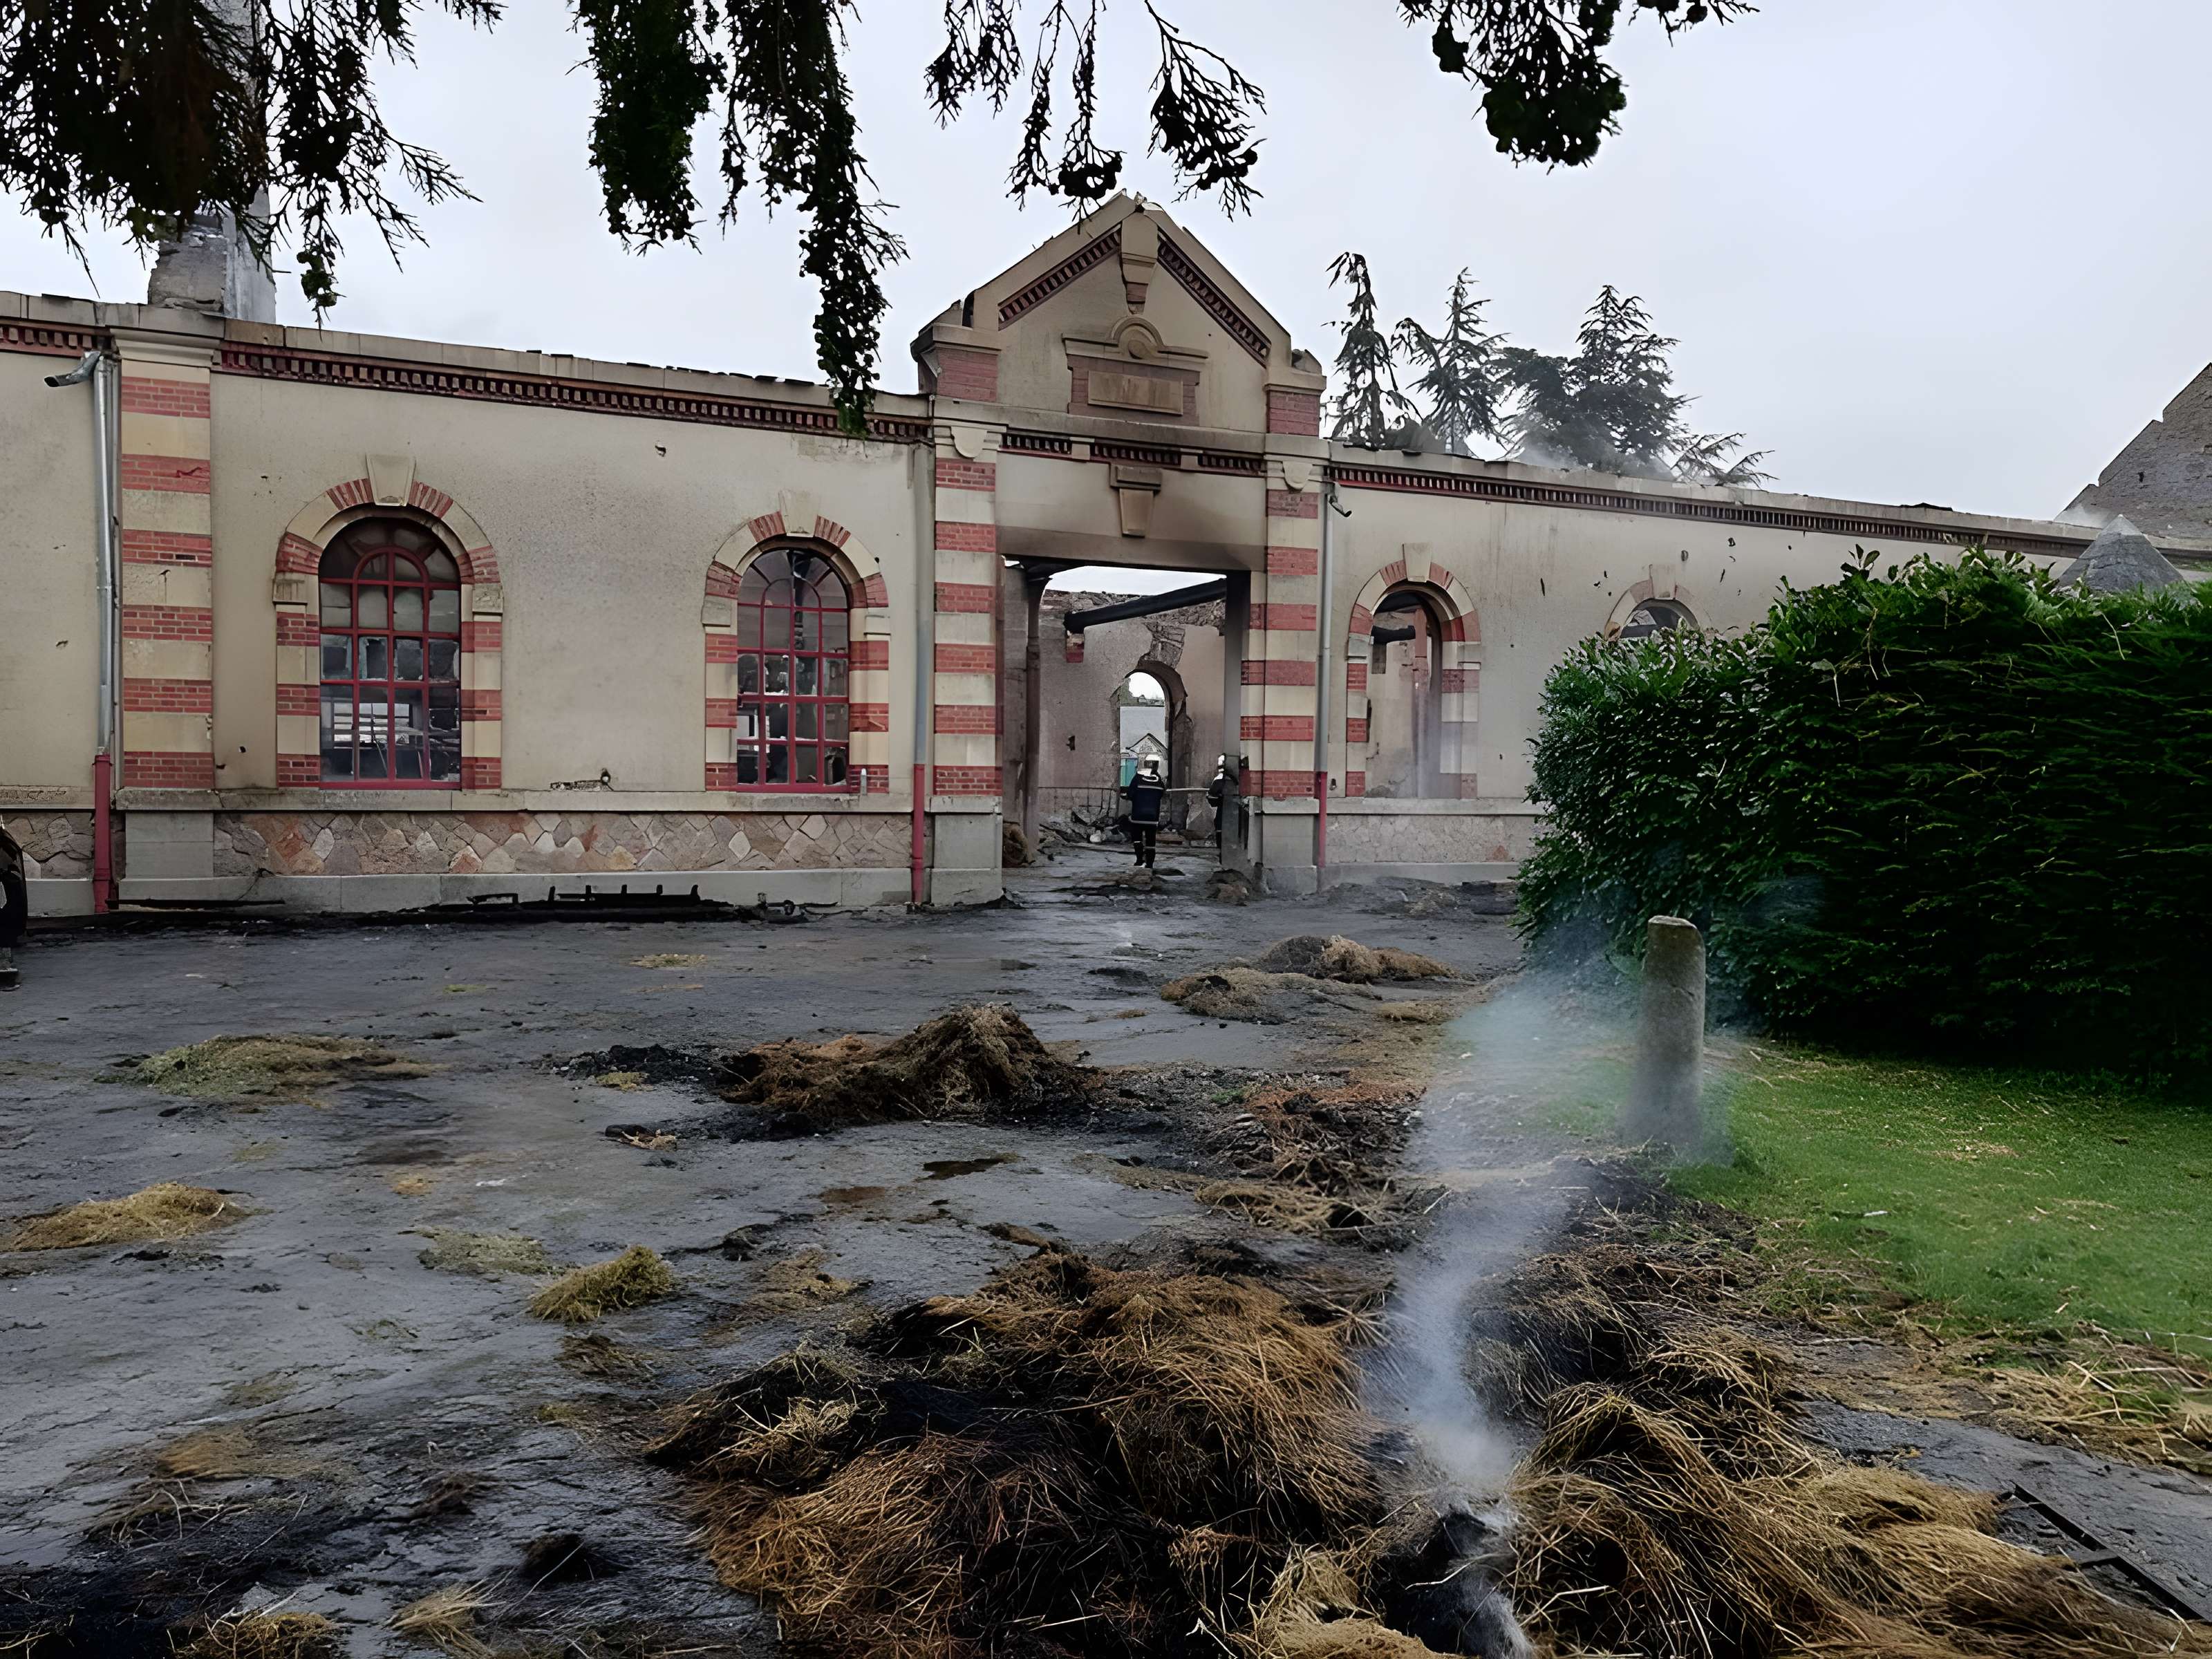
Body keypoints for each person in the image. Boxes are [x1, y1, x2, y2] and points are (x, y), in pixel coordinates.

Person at [1121, 757, 1166, 868]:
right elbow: (1161, 794)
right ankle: (1150, 862)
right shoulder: (1159, 781)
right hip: (1153, 818)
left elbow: (1130, 795)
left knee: (1137, 839)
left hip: (1138, 816)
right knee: (1151, 841)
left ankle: (1139, 859)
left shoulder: (1137, 778)